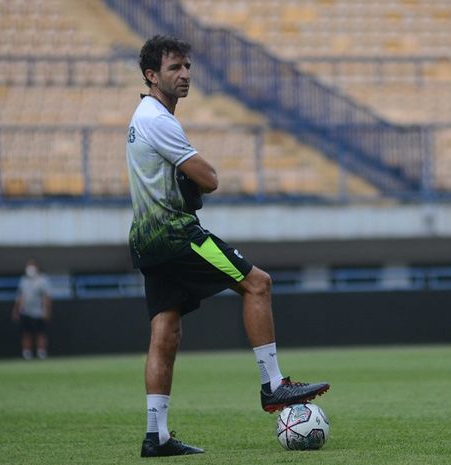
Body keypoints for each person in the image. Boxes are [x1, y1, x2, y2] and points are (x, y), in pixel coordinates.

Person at [126, 35, 329, 458]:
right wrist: (196, 180)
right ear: (151, 75)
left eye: (186, 67)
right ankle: (273, 385)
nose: (184, 75)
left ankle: (155, 435)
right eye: (173, 68)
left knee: (165, 330)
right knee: (258, 283)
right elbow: (210, 178)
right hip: (177, 235)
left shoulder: (142, 116)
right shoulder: (159, 120)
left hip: (146, 239)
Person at [11, 259, 52, 360]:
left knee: (40, 333)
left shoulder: (43, 280)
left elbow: (47, 297)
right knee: (26, 333)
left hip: (39, 312)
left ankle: (41, 353)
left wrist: (46, 311)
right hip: (26, 312)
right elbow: (20, 297)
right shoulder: (23, 281)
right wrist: (15, 310)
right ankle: (27, 354)